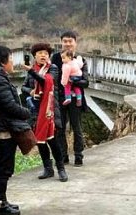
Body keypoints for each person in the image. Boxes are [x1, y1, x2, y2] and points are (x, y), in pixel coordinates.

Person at [0, 46, 31, 215]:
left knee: (4, 167)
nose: (12, 62)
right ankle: (0, 204)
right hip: (1, 132)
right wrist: (27, 112)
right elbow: (9, 106)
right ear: (3, 62)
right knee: (3, 168)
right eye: (10, 59)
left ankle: (2, 200)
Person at [21, 43, 68, 182]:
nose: (43, 55)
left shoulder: (52, 68)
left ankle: (61, 169)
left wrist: (31, 72)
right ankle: (48, 168)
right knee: (40, 141)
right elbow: (24, 86)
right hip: (36, 111)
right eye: (40, 53)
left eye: (46, 53)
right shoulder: (33, 69)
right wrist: (30, 91)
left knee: (53, 141)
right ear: (34, 56)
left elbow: (47, 82)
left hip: (50, 111)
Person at [51, 30, 89, 167]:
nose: (67, 44)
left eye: (70, 41)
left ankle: (78, 156)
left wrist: (71, 81)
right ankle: (63, 156)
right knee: (59, 129)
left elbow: (86, 82)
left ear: (75, 43)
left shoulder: (80, 60)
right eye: (65, 41)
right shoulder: (55, 58)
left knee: (77, 128)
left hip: (75, 99)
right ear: (61, 43)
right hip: (59, 99)